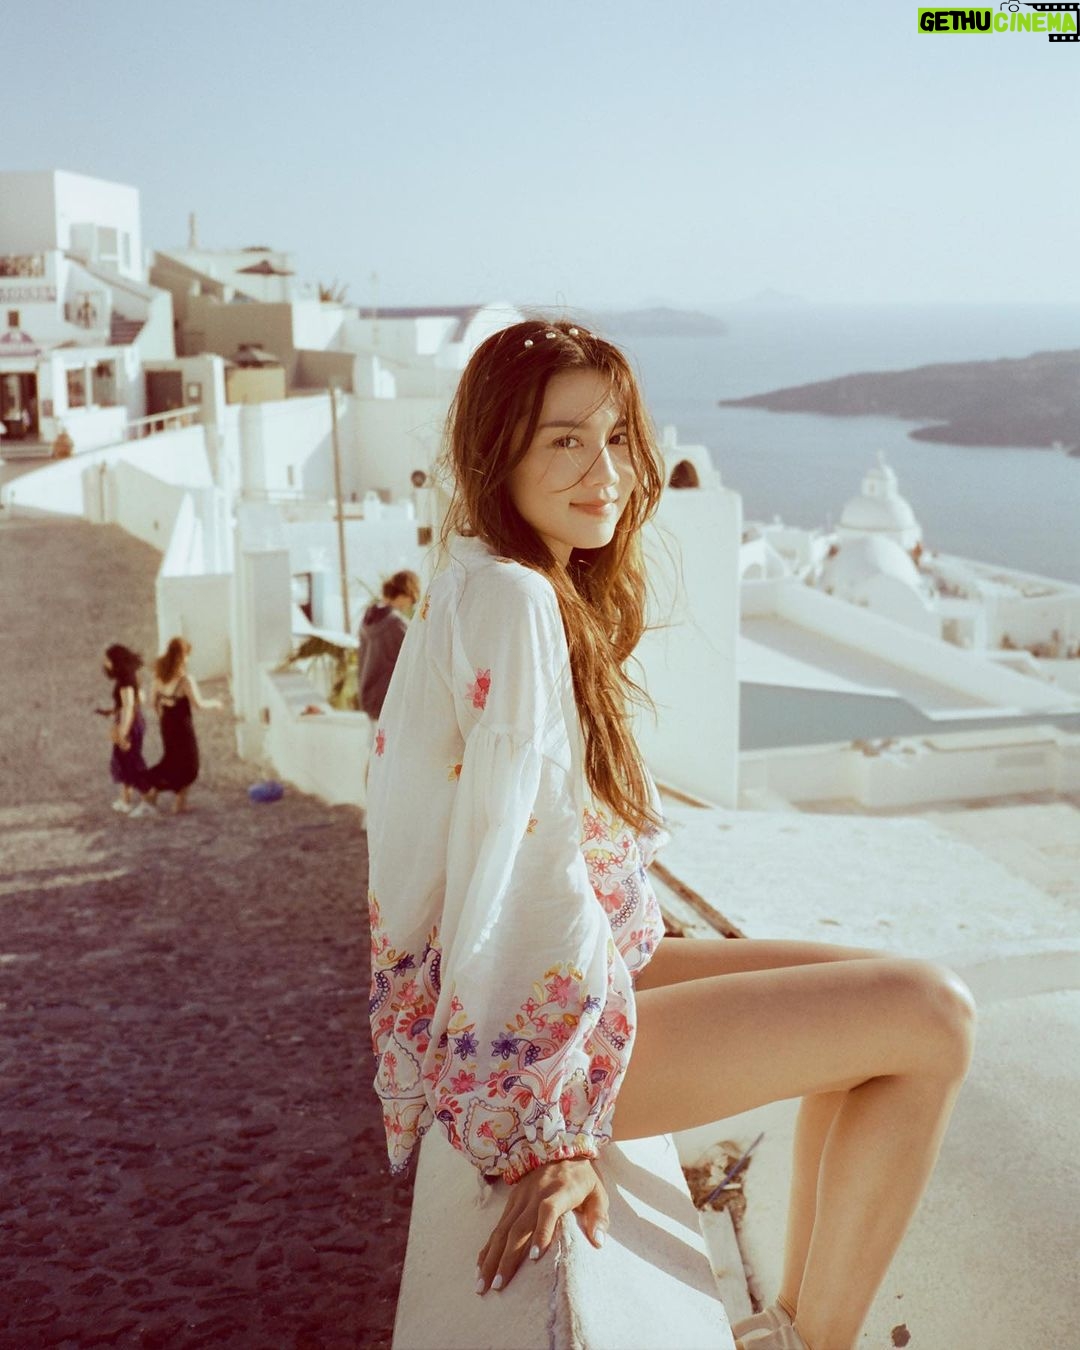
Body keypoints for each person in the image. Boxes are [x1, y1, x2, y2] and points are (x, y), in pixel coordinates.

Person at [366, 320, 976, 1350]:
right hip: (522, 1044)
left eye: (615, 437)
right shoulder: (514, 598)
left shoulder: (492, 574)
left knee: (879, 989)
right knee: (934, 1018)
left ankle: (790, 1330)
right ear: (495, 450)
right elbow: (521, 868)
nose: (605, 472)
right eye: (564, 440)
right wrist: (552, 1127)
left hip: (554, 993)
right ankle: (814, 1341)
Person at [146, 637, 222, 814]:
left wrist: (162, 716)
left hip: (167, 725)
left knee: (171, 760)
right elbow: (198, 704)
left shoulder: (159, 677)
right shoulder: (185, 680)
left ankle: (158, 795)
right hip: (182, 728)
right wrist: (216, 703)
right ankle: (174, 802)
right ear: (183, 656)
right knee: (190, 765)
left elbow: (152, 702)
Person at [356, 570, 422, 720]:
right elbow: (419, 656)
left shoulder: (367, 619)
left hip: (369, 699)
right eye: (412, 600)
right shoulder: (396, 624)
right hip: (390, 703)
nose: (410, 605)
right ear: (405, 594)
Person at [103, 643, 153, 818]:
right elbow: (139, 699)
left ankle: (148, 802)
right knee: (123, 761)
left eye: (108, 660)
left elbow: (129, 707)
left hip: (129, 724)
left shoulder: (125, 682)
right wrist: (114, 711)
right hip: (131, 721)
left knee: (132, 762)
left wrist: (123, 733)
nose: (105, 664)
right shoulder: (131, 676)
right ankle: (125, 800)